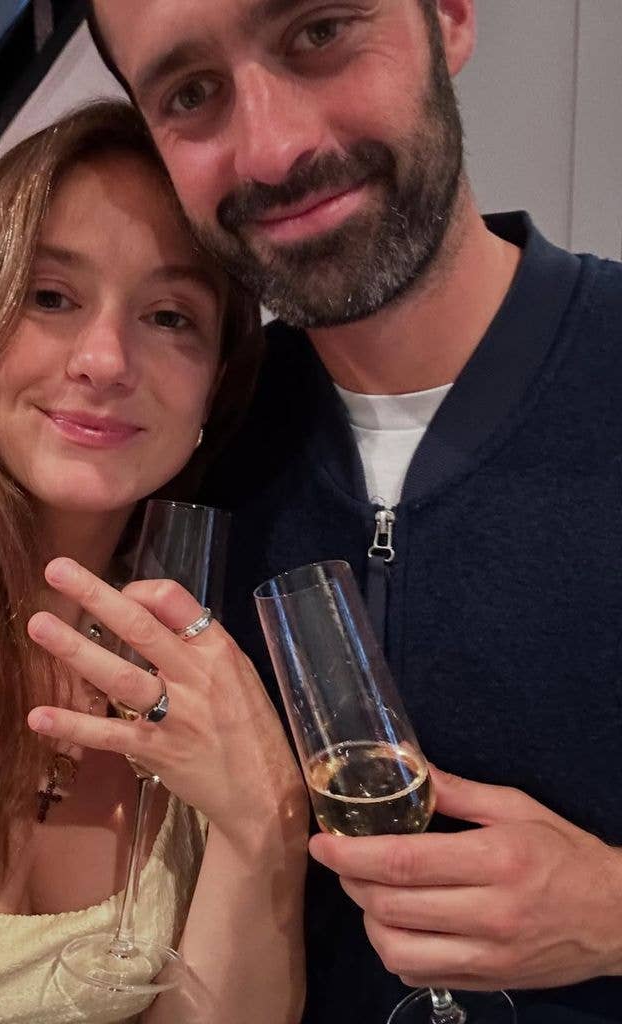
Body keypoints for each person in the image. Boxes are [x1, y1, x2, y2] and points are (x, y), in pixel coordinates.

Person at [86, 2, 622, 1022]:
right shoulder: (183, 452)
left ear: (451, 20)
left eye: (320, 31)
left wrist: (611, 910)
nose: (276, 149)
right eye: (191, 93)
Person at [0, 100, 308, 1024]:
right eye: (50, 297)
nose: (105, 359)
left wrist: (263, 826)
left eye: (171, 316)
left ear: (215, 385)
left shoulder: (204, 650)